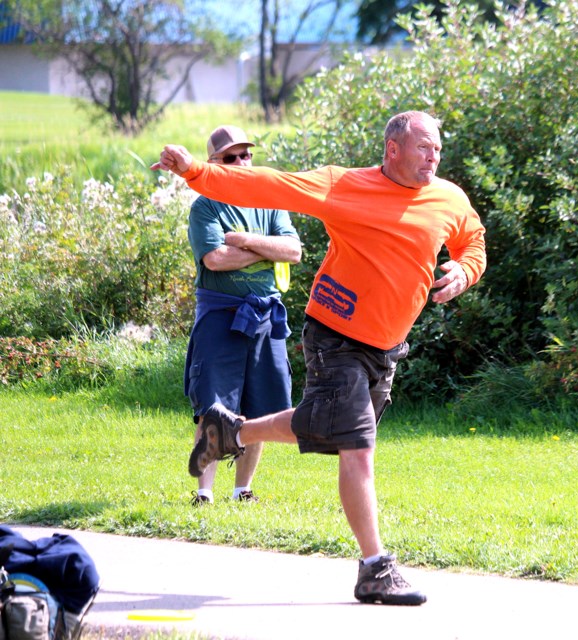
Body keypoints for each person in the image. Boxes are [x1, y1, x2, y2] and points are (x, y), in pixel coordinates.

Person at [152, 111, 486, 606]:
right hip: (336, 335)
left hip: (386, 345)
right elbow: (268, 185)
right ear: (393, 148)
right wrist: (196, 173)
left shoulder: (448, 196)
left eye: (437, 148)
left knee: (325, 425)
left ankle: (231, 432)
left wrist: (463, 270)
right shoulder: (344, 186)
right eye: (423, 147)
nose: (433, 156)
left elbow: (472, 239)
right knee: (357, 446)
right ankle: (375, 568)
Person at [184, 125, 302, 507]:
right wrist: (269, 250)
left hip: (266, 316)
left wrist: (247, 241)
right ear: (213, 164)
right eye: (231, 157)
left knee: (262, 408)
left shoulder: (269, 201)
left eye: (246, 154)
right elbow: (216, 260)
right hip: (221, 316)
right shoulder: (205, 205)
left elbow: (295, 251)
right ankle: (204, 494)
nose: (242, 162)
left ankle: (242, 490)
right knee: (212, 407)